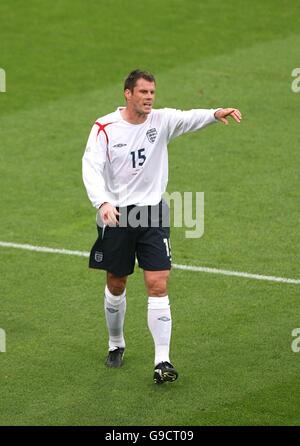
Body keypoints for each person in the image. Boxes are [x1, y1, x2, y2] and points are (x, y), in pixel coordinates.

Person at [82, 69, 241, 384]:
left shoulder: (161, 121)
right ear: (128, 93)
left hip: (153, 214)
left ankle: (162, 360)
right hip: (118, 216)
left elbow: (188, 118)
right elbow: (91, 167)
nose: (149, 98)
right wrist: (102, 202)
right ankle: (116, 343)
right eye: (143, 92)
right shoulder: (105, 128)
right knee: (117, 284)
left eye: (152, 93)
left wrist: (214, 113)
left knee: (158, 283)